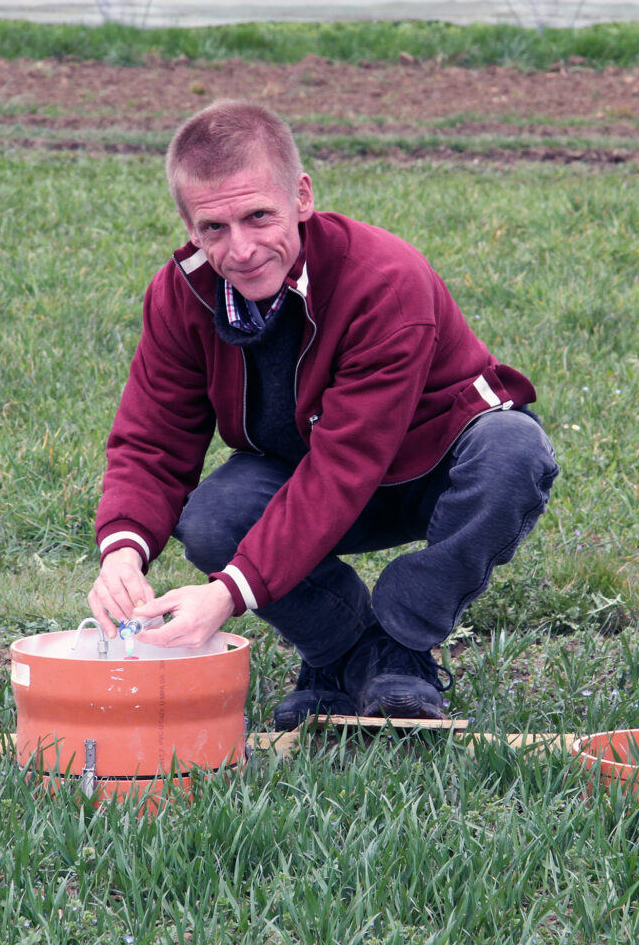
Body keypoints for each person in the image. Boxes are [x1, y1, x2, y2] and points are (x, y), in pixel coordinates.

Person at [87, 100, 558, 730]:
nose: (243, 249)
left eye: (259, 216)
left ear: (302, 197)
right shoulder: (180, 296)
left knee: (514, 453)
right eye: (214, 228)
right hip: (305, 473)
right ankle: (344, 654)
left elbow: (346, 463)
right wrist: (122, 553)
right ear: (189, 227)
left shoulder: (385, 280)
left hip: (425, 470)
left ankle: (403, 641)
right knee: (212, 519)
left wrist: (228, 594)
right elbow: (152, 442)